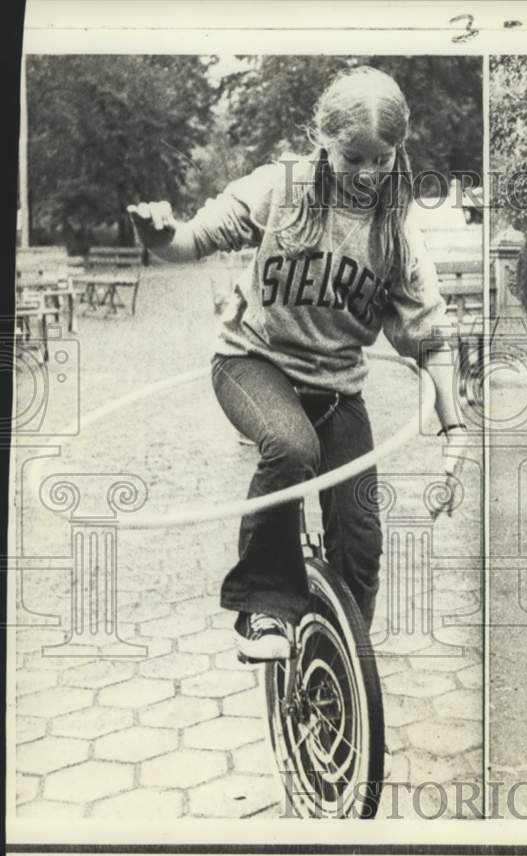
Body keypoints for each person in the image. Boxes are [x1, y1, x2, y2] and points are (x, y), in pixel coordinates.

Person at [129, 66, 467, 660]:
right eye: (352, 156)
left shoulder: (394, 233)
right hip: (254, 364)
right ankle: (263, 604)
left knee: (361, 545)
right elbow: (192, 240)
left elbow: (430, 336)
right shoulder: (280, 187)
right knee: (290, 448)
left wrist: (455, 429)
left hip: (337, 387)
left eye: (380, 159)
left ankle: (334, 673)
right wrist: (159, 237)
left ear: (397, 152)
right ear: (323, 140)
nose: (367, 174)